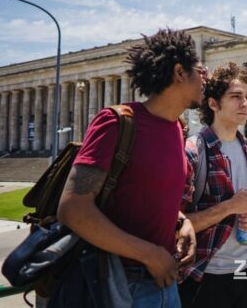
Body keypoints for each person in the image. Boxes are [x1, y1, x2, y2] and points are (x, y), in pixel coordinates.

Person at [57, 28, 203, 306]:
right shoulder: (117, 122)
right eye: (201, 71)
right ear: (180, 73)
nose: (205, 78)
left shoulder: (177, 129)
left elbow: (148, 195)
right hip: (119, 284)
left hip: (165, 281)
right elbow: (73, 209)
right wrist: (149, 254)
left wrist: (182, 222)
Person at [178, 62, 247, 308]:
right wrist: (230, 207)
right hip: (205, 272)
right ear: (213, 103)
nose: (245, 103)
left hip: (246, 269)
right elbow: (175, 224)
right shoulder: (193, 152)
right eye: (236, 96)